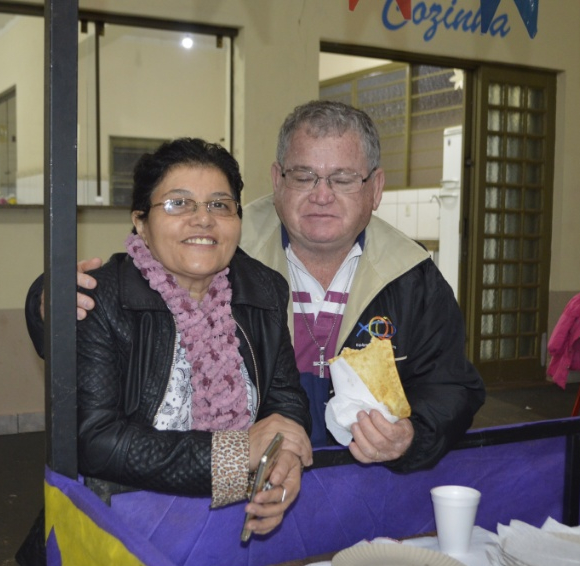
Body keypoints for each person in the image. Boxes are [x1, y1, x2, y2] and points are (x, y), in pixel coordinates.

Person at [26, 101, 484, 474]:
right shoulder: (228, 254)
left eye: (343, 178)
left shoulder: (412, 273)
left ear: (375, 187)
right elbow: (123, 293)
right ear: (277, 180)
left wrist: (413, 434)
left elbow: (451, 385)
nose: (322, 194)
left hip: (362, 482)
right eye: (304, 176)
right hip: (216, 490)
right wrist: (45, 302)